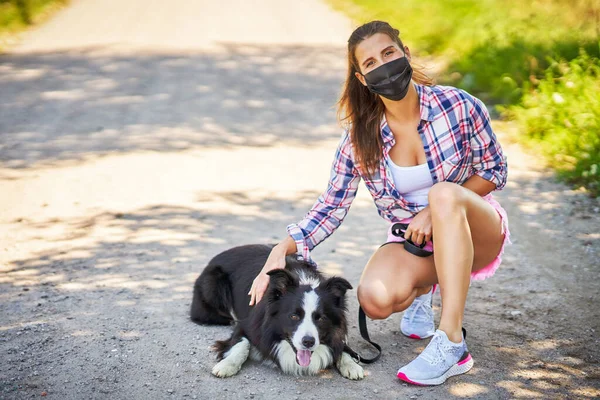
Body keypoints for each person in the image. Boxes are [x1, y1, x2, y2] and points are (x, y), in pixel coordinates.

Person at [248, 20, 509, 386]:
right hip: (416, 243)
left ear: (405, 53)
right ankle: (425, 291)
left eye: (388, 53)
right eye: (370, 63)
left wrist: (433, 211)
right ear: (360, 77)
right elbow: (331, 206)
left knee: (443, 194)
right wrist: (283, 247)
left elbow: (495, 169)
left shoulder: (459, 106)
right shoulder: (359, 138)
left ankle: (451, 342)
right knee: (375, 299)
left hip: (476, 231)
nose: (383, 66)